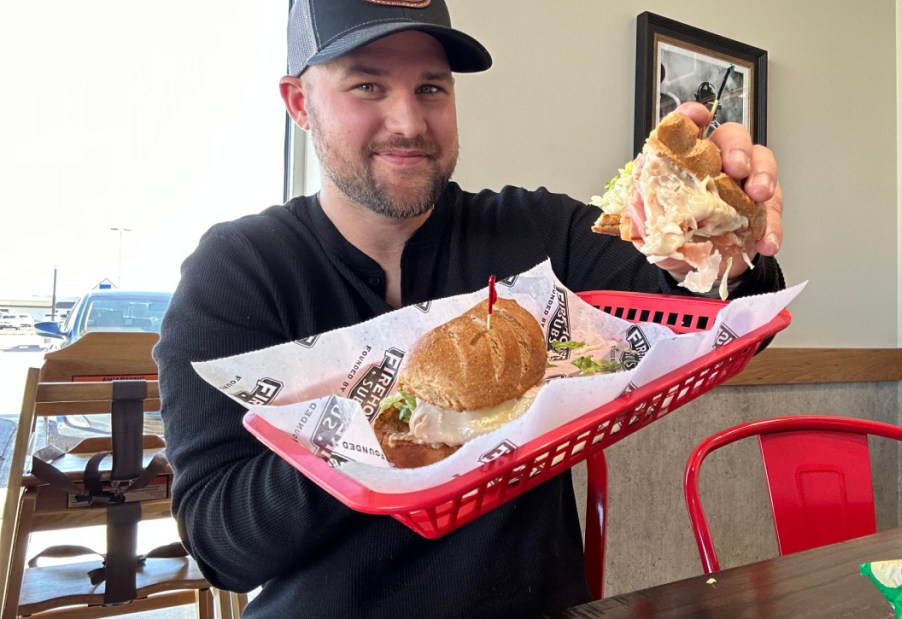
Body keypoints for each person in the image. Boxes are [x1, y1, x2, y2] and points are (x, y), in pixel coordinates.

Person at [154, 1, 786, 617]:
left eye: (431, 88)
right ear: (300, 104)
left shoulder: (537, 230)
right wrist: (392, 432)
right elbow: (220, 543)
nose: (407, 121)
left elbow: (724, 321)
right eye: (367, 85)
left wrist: (726, 233)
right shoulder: (238, 271)